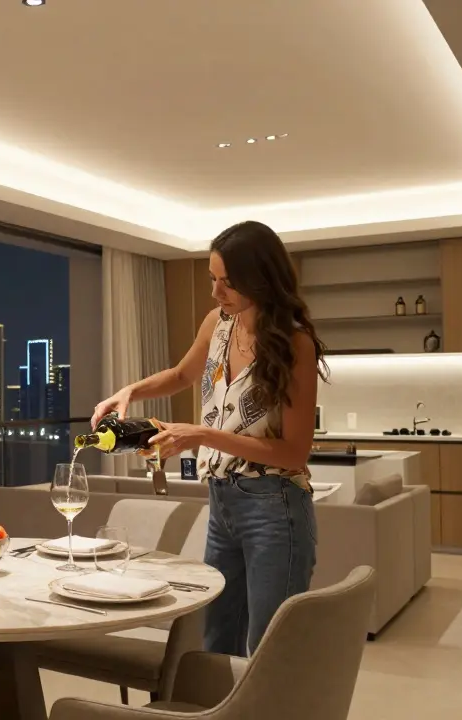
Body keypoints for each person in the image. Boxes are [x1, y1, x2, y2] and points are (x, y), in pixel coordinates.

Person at [92, 220, 327, 656]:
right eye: (212, 279)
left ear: (262, 279)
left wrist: (202, 435)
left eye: (228, 283)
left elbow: (294, 452)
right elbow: (182, 374)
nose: (216, 293)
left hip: (274, 506)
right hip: (222, 504)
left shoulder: (294, 343)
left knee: (268, 650)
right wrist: (131, 390)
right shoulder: (218, 324)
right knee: (217, 641)